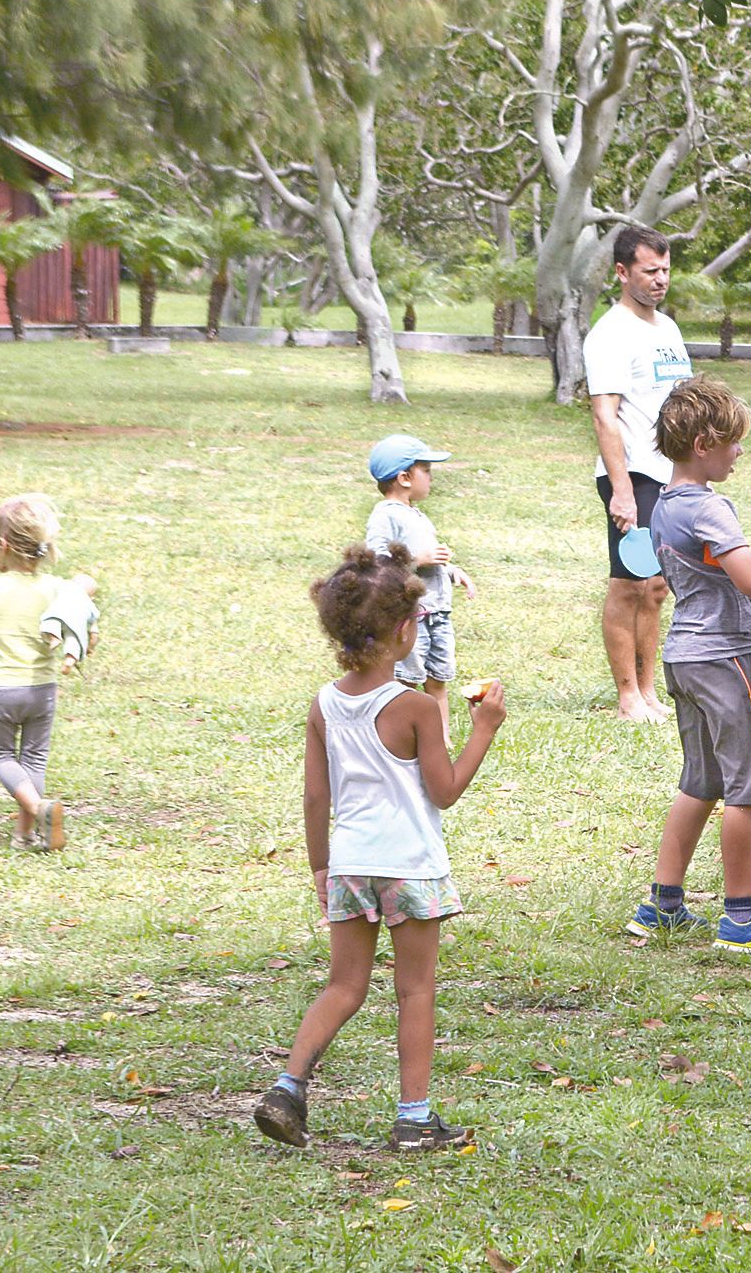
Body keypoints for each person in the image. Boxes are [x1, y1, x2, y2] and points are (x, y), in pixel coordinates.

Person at [255, 546, 506, 1151]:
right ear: (400, 631)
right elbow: (444, 792)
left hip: (349, 863)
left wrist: (320, 866)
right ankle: (415, 1119)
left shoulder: (325, 703)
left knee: (344, 986)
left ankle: (288, 1087)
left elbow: (317, 798)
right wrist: (483, 731)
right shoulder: (415, 706)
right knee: (415, 990)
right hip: (409, 867)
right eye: (417, 621)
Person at [627, 377, 751, 954]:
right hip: (719, 659)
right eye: (735, 441)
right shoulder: (710, 508)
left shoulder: (664, 506)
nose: (740, 451)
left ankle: (663, 904)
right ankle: (742, 918)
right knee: (745, 789)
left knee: (701, 781)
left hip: (687, 658)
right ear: (706, 441)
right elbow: (750, 580)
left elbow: (706, 588)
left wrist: (748, 659)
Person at [583, 224, 692, 722]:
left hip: (671, 473)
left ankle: (648, 690)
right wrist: (622, 489)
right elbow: (605, 415)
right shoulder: (609, 334)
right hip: (634, 476)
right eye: (650, 271)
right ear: (622, 271)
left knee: (656, 586)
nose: (660, 279)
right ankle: (627, 695)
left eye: (666, 270)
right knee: (628, 582)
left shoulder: (666, 329)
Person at [0, 493, 98, 853]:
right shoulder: (56, 590)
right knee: (33, 758)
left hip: (2, 689)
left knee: (1, 755)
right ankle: (26, 834)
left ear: (1, 544)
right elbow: (82, 595)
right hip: (42, 689)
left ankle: (36, 808)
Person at [365, 433, 474, 732]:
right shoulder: (385, 516)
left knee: (438, 678)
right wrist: (417, 559)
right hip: (410, 617)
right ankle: (402, 736)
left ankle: (440, 738)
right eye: (426, 470)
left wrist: (452, 571)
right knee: (407, 679)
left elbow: (430, 557)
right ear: (404, 478)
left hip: (438, 611)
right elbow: (376, 559)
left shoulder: (418, 515)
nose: (430, 477)